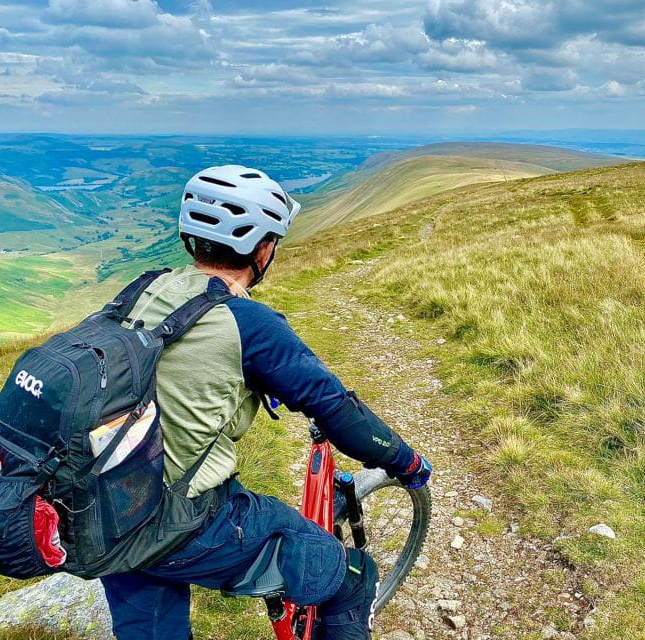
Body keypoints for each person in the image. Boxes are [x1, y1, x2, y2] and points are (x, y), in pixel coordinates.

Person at [99, 165, 432, 640]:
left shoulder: (140, 290)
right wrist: (406, 461)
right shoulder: (246, 321)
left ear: (190, 239)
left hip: (104, 506)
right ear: (262, 248)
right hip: (179, 519)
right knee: (354, 580)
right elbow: (338, 411)